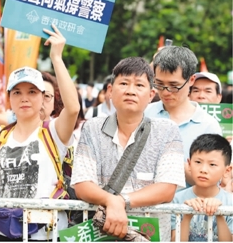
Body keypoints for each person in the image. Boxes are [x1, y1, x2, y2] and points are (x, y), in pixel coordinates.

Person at [0, 24, 80, 241]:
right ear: (9, 98)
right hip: (3, 232)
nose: (25, 98)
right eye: (18, 92)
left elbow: (73, 108)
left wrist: (57, 58)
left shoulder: (52, 131)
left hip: (44, 234)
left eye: (32, 92)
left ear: (43, 97)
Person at [72, 57, 186, 242]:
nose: (131, 91)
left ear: (151, 95)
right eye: (124, 83)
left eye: (139, 85)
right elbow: (82, 185)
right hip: (102, 235)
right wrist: (111, 201)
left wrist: (121, 201)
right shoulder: (92, 127)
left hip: (150, 237)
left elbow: (166, 189)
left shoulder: (167, 130)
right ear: (110, 91)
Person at [145, 46, 222, 187]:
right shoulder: (143, 114)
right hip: (141, 206)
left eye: (174, 86)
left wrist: (168, 160)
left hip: (186, 207)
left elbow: (213, 181)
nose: (166, 92)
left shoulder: (208, 125)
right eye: (159, 84)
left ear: (191, 80)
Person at [171, 134, 233, 241]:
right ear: (189, 164)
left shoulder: (230, 201)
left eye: (212, 164)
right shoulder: (176, 199)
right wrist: (187, 215)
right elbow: (174, 240)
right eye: (198, 162)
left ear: (227, 170)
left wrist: (219, 214)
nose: (203, 170)